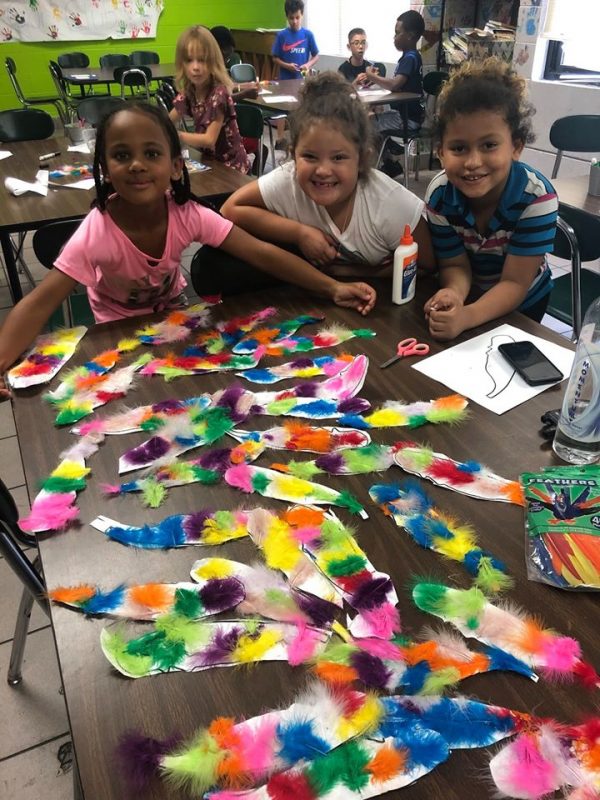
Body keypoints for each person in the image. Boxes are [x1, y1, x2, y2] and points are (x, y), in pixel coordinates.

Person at [0, 103, 376, 399]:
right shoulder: (96, 233)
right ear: (104, 168)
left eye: (151, 153)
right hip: (118, 333)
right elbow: (39, 302)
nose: (136, 165)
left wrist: (331, 287)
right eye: (120, 155)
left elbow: (259, 252)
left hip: (177, 324)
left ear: (177, 167)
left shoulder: (187, 214)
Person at [195, 72, 433, 296]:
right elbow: (229, 209)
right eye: (309, 156)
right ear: (293, 155)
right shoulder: (289, 179)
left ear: (362, 159)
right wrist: (299, 233)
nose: (323, 170)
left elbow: (426, 265)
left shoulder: (387, 202)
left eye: (339, 157)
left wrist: (355, 272)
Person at [423, 58, 558, 341]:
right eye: (458, 148)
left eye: (489, 145)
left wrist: (467, 317)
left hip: (524, 304)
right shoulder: (439, 195)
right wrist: (453, 293)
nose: (473, 162)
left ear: (516, 147)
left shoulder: (537, 198)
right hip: (472, 293)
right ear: (440, 152)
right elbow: (455, 265)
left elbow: (514, 283)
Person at [169, 25, 249, 173]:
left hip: (231, 168)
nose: (195, 67)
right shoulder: (190, 91)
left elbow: (209, 139)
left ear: (213, 61)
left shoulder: (219, 94)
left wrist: (175, 135)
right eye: (189, 60)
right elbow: (167, 120)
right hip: (209, 162)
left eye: (202, 60)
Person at [366, 10, 426, 134]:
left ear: (410, 35)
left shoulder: (410, 58)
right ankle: (385, 149)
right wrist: (378, 79)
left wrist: (371, 76)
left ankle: (379, 151)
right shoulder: (411, 56)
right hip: (405, 115)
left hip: (406, 119)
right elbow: (398, 86)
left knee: (365, 124)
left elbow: (394, 84)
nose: (394, 37)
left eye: (397, 33)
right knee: (368, 119)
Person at [272, 0, 319, 81]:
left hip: (302, 78)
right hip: (285, 80)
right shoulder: (281, 35)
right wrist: (287, 66)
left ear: (302, 15)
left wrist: (307, 65)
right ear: (287, 17)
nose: (294, 21)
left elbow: (316, 56)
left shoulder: (308, 34)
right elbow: (275, 58)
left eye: (297, 17)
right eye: (291, 18)